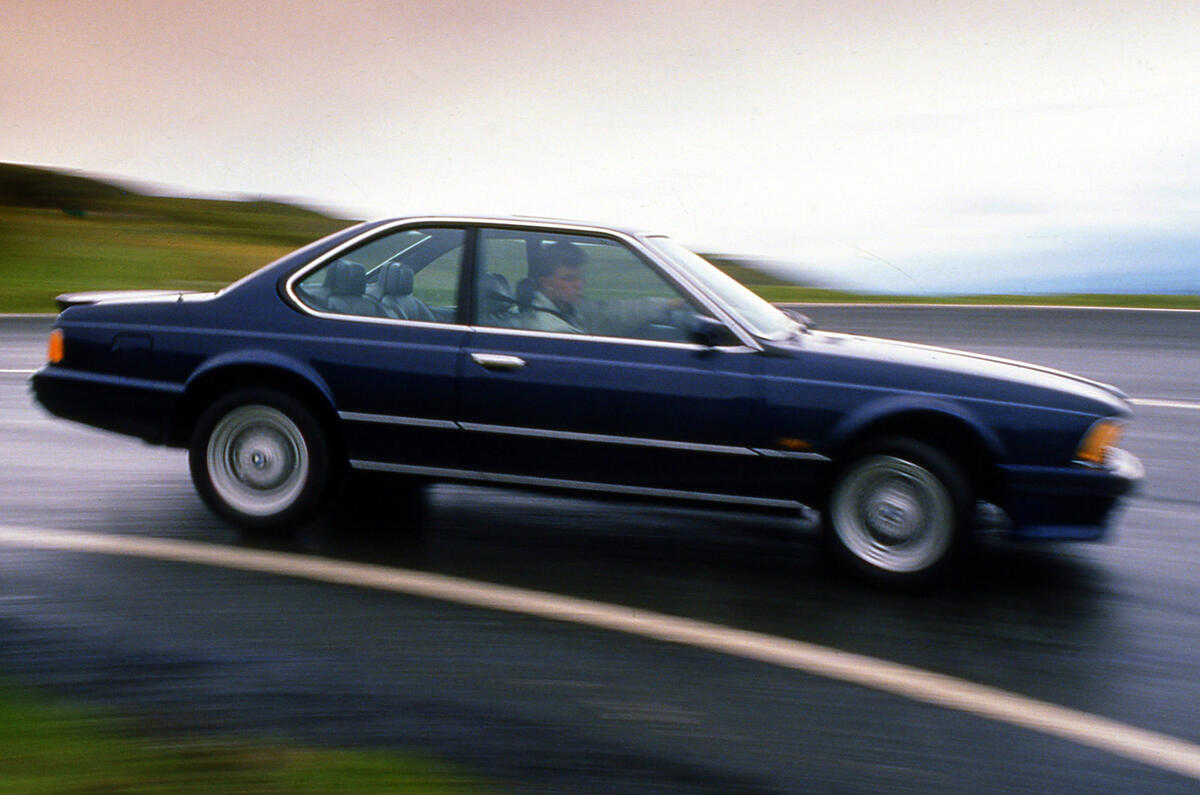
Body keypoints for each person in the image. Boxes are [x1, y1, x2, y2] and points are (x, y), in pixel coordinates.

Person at [515, 241, 683, 336]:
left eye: (580, 277)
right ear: (547, 283)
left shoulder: (570, 309)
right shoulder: (550, 328)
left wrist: (670, 304)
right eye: (568, 279)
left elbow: (614, 312)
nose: (579, 284)